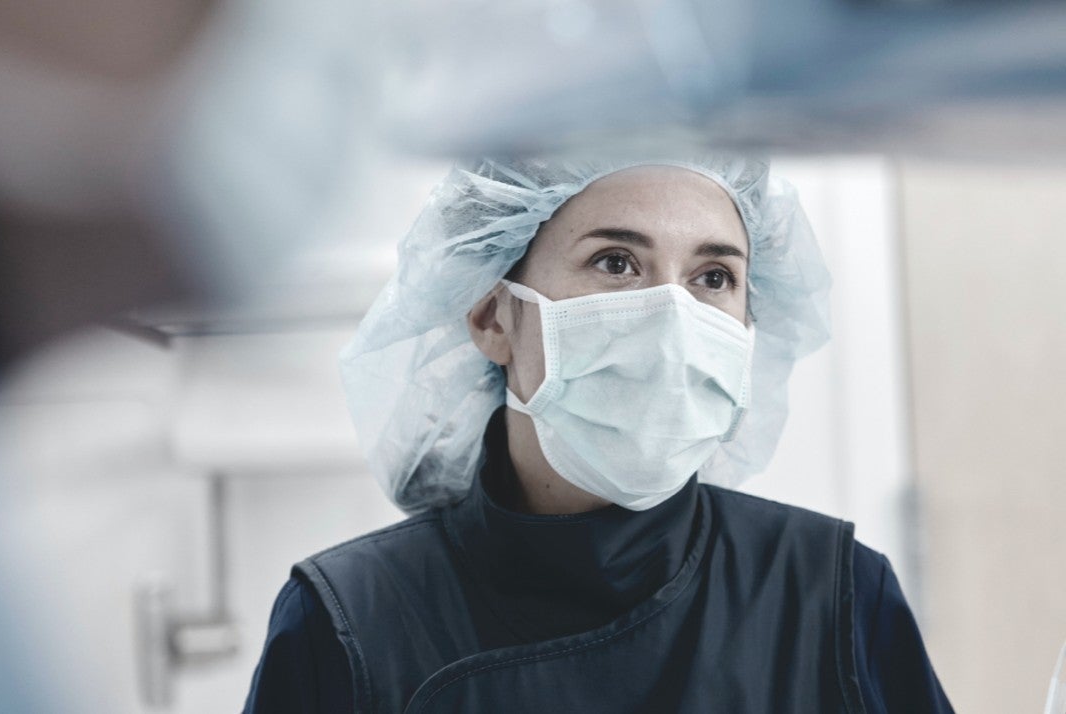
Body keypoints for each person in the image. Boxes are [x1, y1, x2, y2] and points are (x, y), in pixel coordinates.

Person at [244, 156, 953, 712]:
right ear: (493, 317)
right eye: (616, 262)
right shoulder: (352, 618)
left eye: (713, 277)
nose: (672, 320)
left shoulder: (830, 591)